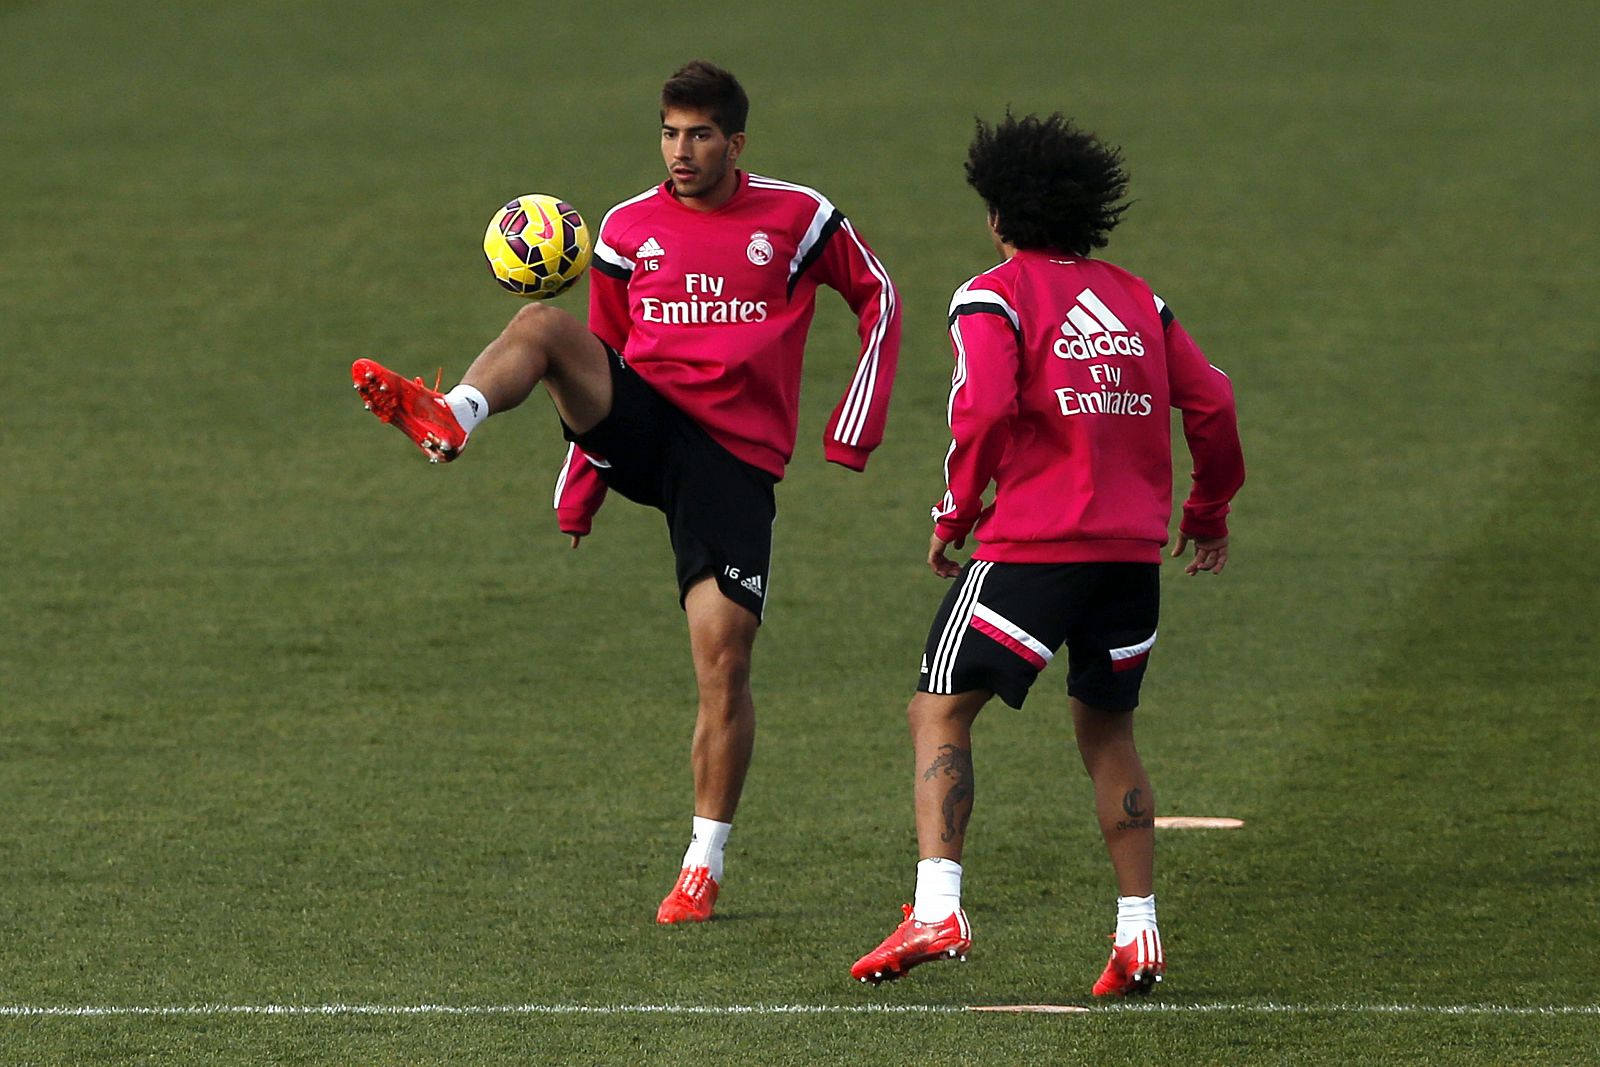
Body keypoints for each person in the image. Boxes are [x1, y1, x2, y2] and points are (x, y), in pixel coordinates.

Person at [352, 60, 900, 924]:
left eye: (700, 135)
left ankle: (702, 862)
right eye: (670, 132)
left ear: (736, 142)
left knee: (723, 665)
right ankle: (452, 412)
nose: (680, 152)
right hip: (646, 426)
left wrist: (852, 424)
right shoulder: (626, 228)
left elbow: (880, 295)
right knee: (542, 325)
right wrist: (583, 485)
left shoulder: (800, 217)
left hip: (733, 463)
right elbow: (600, 348)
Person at [849, 113, 1243, 995]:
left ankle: (938, 905)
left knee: (938, 710)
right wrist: (1206, 511)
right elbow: (1212, 403)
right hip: (1131, 560)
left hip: (1033, 548)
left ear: (999, 214)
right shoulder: (1141, 300)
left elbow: (982, 411)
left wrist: (954, 511)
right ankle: (1138, 932)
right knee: (1108, 730)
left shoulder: (993, 294)